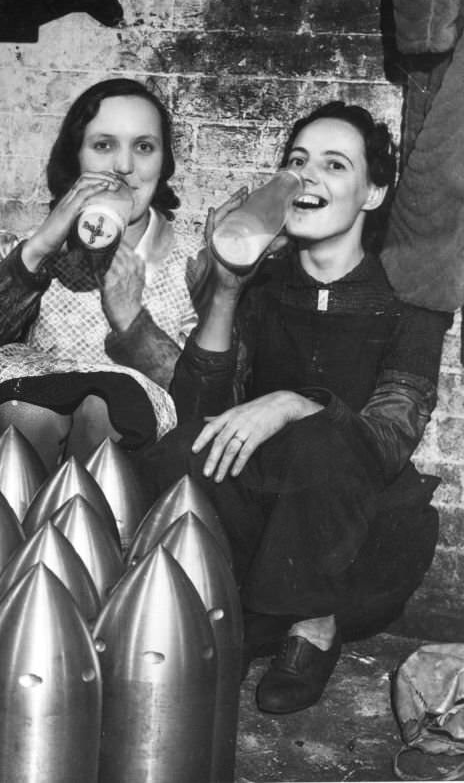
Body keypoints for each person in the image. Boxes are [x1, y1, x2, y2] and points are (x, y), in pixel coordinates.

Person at [138, 101, 452, 714]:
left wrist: (294, 402)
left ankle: (313, 624)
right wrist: (227, 286)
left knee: (318, 438)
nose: (307, 176)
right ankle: (242, 613)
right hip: (268, 512)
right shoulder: (265, 280)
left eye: (335, 165)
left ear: (373, 192)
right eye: (297, 160)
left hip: (360, 530)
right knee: (179, 446)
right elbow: (199, 410)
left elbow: (389, 435)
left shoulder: (411, 298)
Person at [0, 78, 207, 470]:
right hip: (23, 448)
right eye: (103, 145)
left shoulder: (195, 262)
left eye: (144, 147)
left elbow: (207, 404)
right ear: (76, 158)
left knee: (103, 409)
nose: (124, 167)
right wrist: (40, 248)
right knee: (28, 412)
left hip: (135, 469)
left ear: (164, 162)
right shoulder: (31, 251)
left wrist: (134, 324)